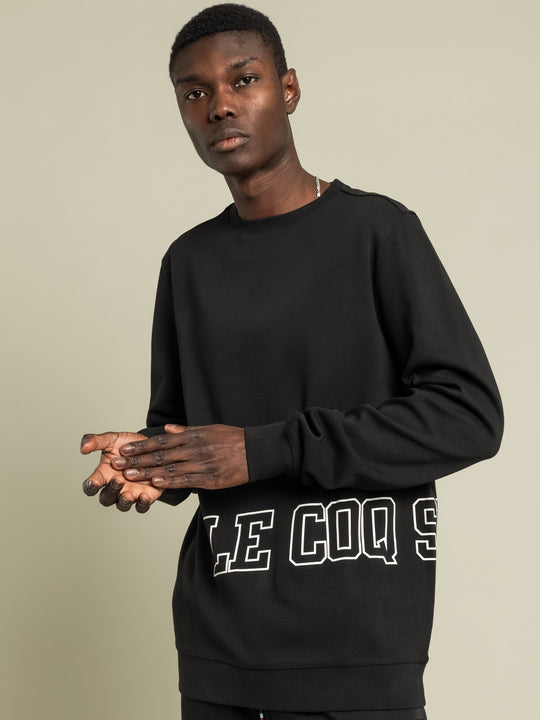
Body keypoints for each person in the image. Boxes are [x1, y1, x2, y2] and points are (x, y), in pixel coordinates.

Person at [80, 4, 504, 719]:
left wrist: (263, 449)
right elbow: (185, 429)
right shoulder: (188, 263)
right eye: (194, 92)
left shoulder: (378, 232)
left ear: (289, 89)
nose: (219, 106)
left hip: (356, 651)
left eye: (243, 80)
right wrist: (152, 462)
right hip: (219, 650)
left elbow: (469, 418)